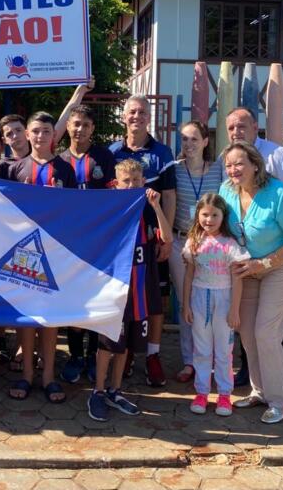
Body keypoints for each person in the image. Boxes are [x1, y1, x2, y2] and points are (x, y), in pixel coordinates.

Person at [220, 141, 283, 424]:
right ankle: (258, 390)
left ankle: (280, 400)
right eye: (229, 165)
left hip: (280, 265)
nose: (233, 169)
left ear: (255, 165)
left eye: (239, 163)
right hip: (248, 267)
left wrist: (264, 263)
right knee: (246, 333)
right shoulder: (226, 190)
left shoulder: (279, 193)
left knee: (266, 333)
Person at [88, 159, 171, 422]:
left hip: (138, 289)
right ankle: (98, 391)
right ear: (116, 182)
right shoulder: (108, 208)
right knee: (107, 343)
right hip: (112, 288)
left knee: (124, 345)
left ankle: (115, 390)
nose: (132, 185)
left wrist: (157, 206)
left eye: (136, 180)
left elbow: (167, 238)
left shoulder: (147, 209)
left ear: (144, 182)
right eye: (126, 181)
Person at [6, 111, 77, 404]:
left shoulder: (65, 170)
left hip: (54, 252)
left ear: (53, 135)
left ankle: (48, 377)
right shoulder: (14, 169)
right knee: (26, 317)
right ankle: (26, 374)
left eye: (45, 131)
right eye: (34, 131)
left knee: (49, 318)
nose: (39, 136)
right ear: (27, 135)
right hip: (22, 254)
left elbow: (74, 211)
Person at [109, 95, 175, 386]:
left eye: (142, 112)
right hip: (121, 242)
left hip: (151, 238)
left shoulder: (162, 152)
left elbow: (170, 197)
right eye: (132, 112)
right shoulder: (111, 151)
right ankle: (124, 354)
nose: (137, 116)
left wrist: (166, 237)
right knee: (122, 297)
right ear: (124, 117)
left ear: (149, 117)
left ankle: (152, 355)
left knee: (156, 298)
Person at [58, 104, 116, 385]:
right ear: (67, 126)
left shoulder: (105, 157)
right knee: (72, 299)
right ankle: (75, 355)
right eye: (75, 123)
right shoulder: (58, 160)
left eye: (85, 124)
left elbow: (115, 198)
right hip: (68, 243)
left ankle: (94, 354)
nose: (79, 129)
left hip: (99, 242)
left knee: (95, 299)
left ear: (93, 128)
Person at [182, 193, 248, 417]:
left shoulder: (231, 245)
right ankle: (201, 392)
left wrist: (235, 310)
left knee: (223, 351)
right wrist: (186, 305)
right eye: (204, 214)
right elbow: (189, 275)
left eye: (214, 215)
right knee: (201, 349)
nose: (209, 220)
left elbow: (237, 279)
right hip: (199, 299)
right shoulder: (194, 242)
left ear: (223, 216)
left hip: (224, 301)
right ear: (198, 215)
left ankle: (224, 395)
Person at [169, 121, 223, 383]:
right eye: (184, 139)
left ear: (205, 142)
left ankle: (214, 360)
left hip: (213, 246)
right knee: (187, 303)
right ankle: (190, 362)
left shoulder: (219, 170)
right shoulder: (175, 170)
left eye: (193, 139)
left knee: (212, 303)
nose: (188, 144)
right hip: (182, 244)